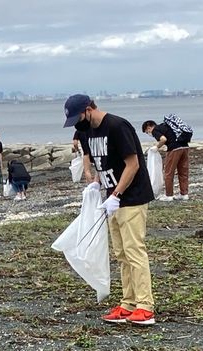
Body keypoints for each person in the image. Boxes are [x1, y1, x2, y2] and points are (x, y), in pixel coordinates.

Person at [64, 94, 156, 325]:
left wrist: (116, 194)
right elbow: (102, 164)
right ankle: (128, 303)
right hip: (111, 200)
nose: (77, 124)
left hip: (132, 197)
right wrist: (97, 182)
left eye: (78, 117)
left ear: (89, 109)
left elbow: (133, 164)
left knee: (134, 250)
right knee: (121, 253)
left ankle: (145, 306)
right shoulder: (87, 133)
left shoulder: (117, 126)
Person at [142, 120, 190, 201]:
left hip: (174, 149)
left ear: (149, 127)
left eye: (147, 132)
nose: (149, 133)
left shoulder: (155, 130)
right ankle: (184, 194)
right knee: (183, 172)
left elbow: (163, 139)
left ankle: (169, 195)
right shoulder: (166, 126)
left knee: (168, 173)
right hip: (185, 147)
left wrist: (157, 147)